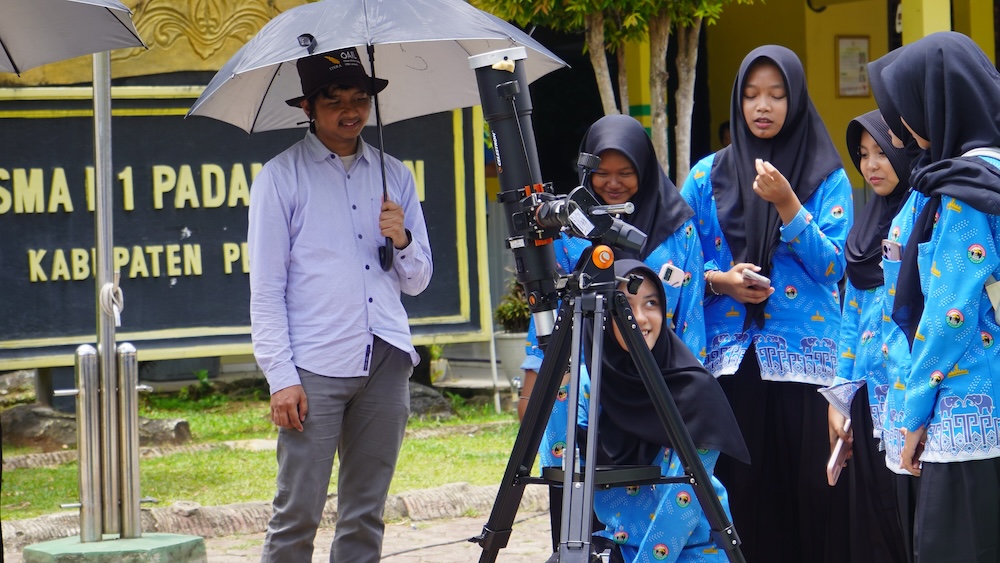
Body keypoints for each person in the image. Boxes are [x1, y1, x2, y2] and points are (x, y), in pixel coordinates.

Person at [248, 47, 433, 562]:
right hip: (313, 366)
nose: (350, 111)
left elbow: (418, 281)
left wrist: (401, 240)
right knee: (297, 511)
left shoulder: (395, 175)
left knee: (365, 511)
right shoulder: (281, 178)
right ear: (308, 107)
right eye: (334, 100)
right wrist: (280, 376)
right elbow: (265, 289)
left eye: (360, 99)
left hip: (386, 356)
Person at [680, 45, 853, 562]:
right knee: (740, 497)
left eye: (777, 95)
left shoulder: (827, 176)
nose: (763, 106)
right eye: (752, 95)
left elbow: (834, 267)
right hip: (729, 365)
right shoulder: (704, 177)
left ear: (795, 101)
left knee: (810, 499)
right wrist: (721, 281)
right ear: (737, 102)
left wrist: (788, 205)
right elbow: (675, 266)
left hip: (805, 367)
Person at [516, 114, 706, 555]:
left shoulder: (680, 230)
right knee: (575, 512)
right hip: (581, 397)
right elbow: (546, 314)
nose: (614, 184)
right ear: (586, 172)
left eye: (626, 173)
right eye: (602, 173)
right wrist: (533, 380)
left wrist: (689, 387)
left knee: (657, 502)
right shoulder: (565, 231)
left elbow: (692, 314)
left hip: (654, 393)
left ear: (645, 169)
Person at [874, 32, 1000, 562]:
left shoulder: (962, 191)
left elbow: (950, 316)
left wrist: (913, 416)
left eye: (906, 106)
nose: (901, 124)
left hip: (965, 410)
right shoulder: (985, 173)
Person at [577, 259, 748, 563]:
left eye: (651, 303)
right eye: (624, 306)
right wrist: (563, 373)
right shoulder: (591, 385)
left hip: (692, 551)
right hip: (617, 549)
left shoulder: (695, 391)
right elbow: (556, 464)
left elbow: (682, 506)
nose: (640, 318)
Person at [821, 109, 913, 563]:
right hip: (867, 404)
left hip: (913, 403)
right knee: (875, 528)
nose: (871, 165)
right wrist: (840, 400)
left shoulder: (925, 220)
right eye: (863, 155)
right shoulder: (862, 234)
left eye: (882, 152)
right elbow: (849, 324)